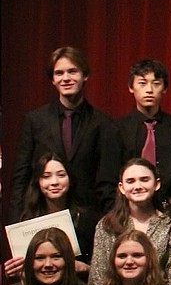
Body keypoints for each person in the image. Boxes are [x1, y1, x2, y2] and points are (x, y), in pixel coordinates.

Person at [8, 46, 119, 215]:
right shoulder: (35, 120)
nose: (65, 78)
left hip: (87, 219)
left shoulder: (103, 124)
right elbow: (21, 176)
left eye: (72, 71)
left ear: (85, 75)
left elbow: (106, 183)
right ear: (52, 79)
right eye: (59, 73)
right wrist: (15, 224)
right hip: (42, 215)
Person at [91, 158, 171, 285]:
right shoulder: (107, 226)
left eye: (144, 179)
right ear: (121, 188)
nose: (138, 186)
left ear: (156, 184)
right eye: (130, 181)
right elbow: (98, 278)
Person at [113, 58, 171, 218]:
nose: (149, 90)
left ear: (164, 89)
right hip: (129, 210)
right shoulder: (117, 129)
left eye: (156, 84)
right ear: (131, 87)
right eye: (142, 83)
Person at [4, 152, 99, 279]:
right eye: (46, 176)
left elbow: (103, 270)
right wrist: (13, 271)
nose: (54, 182)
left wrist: (85, 268)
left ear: (70, 179)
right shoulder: (26, 220)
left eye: (61, 175)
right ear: (38, 181)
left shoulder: (87, 219)